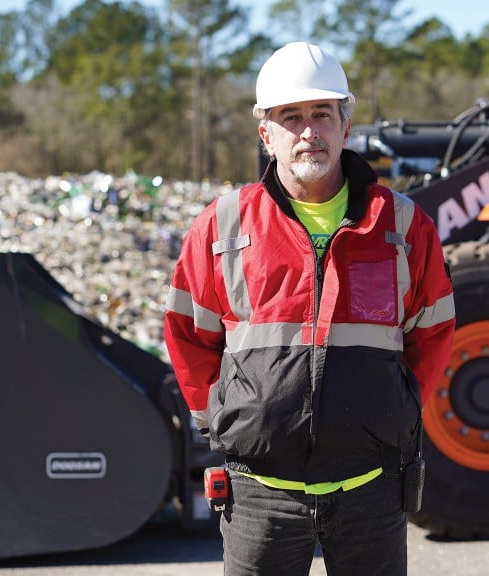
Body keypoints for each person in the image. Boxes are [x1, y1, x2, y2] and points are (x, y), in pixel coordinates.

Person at [163, 41, 456, 575]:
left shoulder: (403, 226)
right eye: (290, 117)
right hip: (260, 495)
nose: (308, 131)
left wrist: (401, 408)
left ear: (346, 124)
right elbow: (188, 333)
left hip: (370, 487)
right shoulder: (222, 227)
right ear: (265, 134)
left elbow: (433, 331)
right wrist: (225, 418)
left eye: (322, 114)